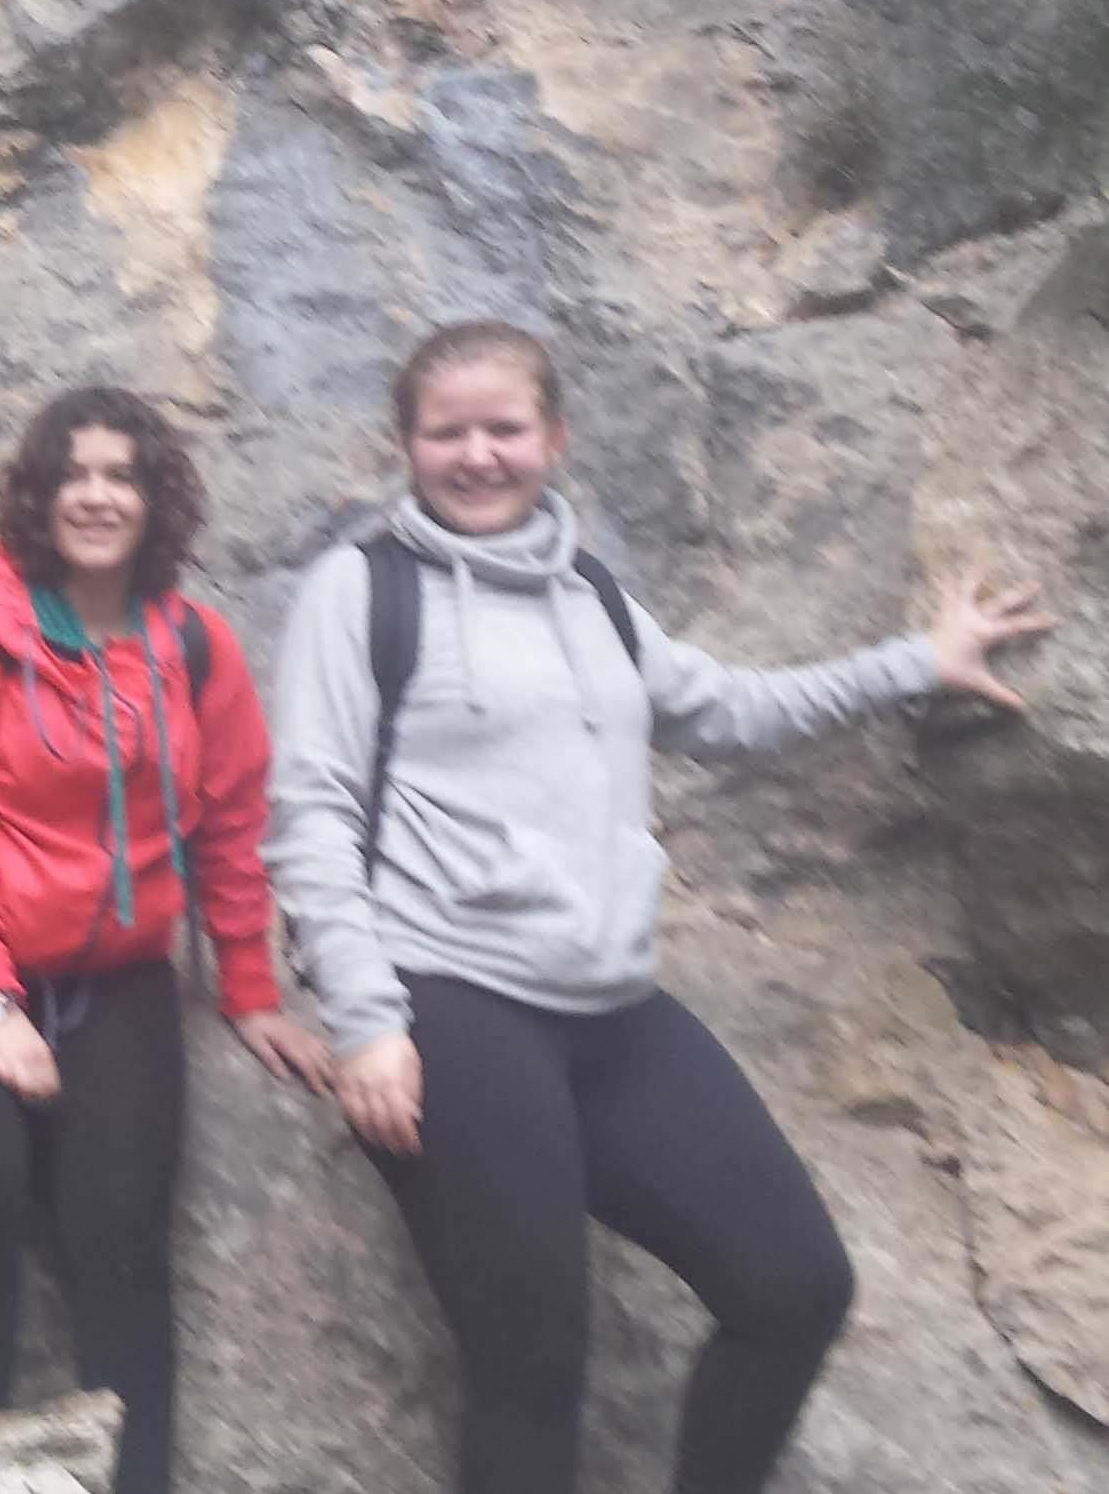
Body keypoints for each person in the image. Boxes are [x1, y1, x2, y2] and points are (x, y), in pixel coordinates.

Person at [265, 320, 1050, 1494]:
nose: (477, 455)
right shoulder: (362, 590)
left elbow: (729, 710)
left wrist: (915, 663)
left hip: (611, 1005)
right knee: (531, 1362)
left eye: (504, 429)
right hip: (450, 999)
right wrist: (368, 1020)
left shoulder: (591, 593)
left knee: (794, 1288)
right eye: (447, 433)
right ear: (406, 443)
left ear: (556, 438)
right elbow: (312, 811)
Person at [0, 386, 334, 1494]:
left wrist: (249, 987)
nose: (96, 496)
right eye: (73, 474)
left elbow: (231, 820)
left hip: (119, 976)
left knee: (120, 1228)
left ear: (154, 498)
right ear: (38, 495)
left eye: (121, 476)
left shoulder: (195, 646)